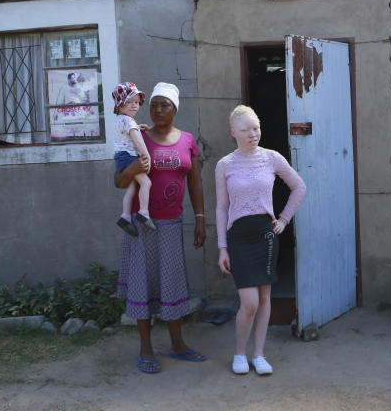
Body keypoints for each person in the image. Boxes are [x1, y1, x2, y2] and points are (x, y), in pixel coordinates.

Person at [114, 81, 207, 373]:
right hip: (143, 226)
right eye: (153, 104)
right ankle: (146, 347)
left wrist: (201, 218)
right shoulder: (138, 136)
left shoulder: (188, 140)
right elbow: (119, 181)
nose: (157, 110)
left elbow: (195, 182)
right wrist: (134, 168)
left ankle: (178, 344)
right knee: (142, 284)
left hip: (172, 224)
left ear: (175, 109)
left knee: (172, 284)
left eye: (164, 104)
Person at [215, 105, 305, 375]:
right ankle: (239, 353)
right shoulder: (225, 164)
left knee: (265, 298)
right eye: (245, 130)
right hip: (239, 238)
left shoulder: (271, 158)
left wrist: (285, 219)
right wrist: (222, 247)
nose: (252, 134)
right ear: (234, 132)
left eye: (256, 128)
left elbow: (299, 187)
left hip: (266, 235)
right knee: (250, 302)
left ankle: (259, 355)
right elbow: (221, 207)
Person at [111, 82, 155, 235]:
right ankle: (143, 212)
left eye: (136, 102)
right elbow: (137, 140)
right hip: (129, 157)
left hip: (120, 157)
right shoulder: (129, 121)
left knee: (131, 187)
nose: (134, 105)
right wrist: (146, 155)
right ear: (119, 104)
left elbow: (127, 134)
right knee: (146, 183)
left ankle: (125, 216)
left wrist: (137, 127)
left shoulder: (120, 120)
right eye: (129, 102)